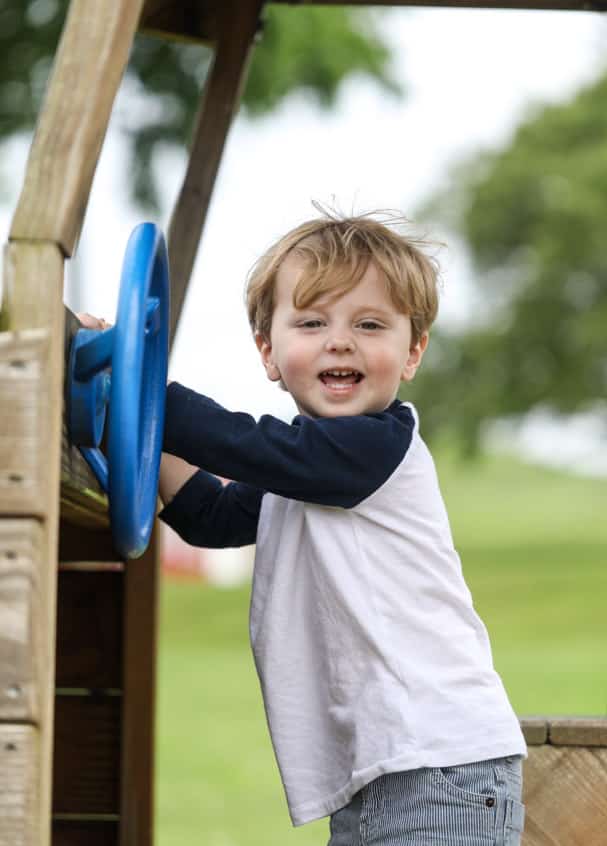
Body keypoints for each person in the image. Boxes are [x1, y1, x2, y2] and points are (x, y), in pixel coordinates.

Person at [83, 211, 527, 844]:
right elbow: (212, 514)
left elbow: (244, 444)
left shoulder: (373, 451)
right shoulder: (312, 475)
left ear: (413, 351)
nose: (339, 341)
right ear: (268, 350)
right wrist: (126, 415)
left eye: (369, 325)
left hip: (439, 767)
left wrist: (140, 378)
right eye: (312, 322)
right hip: (388, 771)